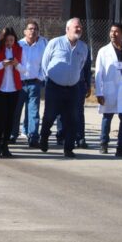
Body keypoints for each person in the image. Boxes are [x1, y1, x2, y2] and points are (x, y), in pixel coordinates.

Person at [39, 18, 91, 158]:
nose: (79, 29)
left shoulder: (83, 47)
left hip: (73, 87)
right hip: (54, 86)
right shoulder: (55, 42)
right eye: (76, 27)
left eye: (80, 27)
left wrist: (72, 78)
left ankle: (69, 148)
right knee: (49, 116)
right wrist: (49, 79)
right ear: (67, 29)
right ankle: (43, 137)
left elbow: (81, 66)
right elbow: (45, 63)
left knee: (73, 118)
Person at [95, 23, 122, 158]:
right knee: (107, 117)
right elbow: (98, 73)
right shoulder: (103, 51)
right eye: (111, 31)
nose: (113, 34)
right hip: (109, 89)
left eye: (116, 32)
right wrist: (99, 92)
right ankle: (104, 143)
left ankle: (121, 147)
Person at [0, 27, 23, 157]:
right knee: (2, 117)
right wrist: (3, 64)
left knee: (10, 118)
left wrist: (16, 64)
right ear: (3, 40)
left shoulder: (18, 50)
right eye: (7, 40)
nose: (9, 43)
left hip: (14, 89)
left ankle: (5, 144)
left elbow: (24, 70)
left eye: (11, 40)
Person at [14, 20, 47, 147]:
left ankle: (33, 138)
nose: (32, 31)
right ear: (25, 31)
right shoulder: (19, 45)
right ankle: (12, 135)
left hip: (34, 83)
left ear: (38, 32)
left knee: (33, 112)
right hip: (19, 84)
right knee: (16, 111)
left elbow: (45, 64)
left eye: (35, 29)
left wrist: (40, 78)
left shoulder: (42, 46)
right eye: (30, 29)